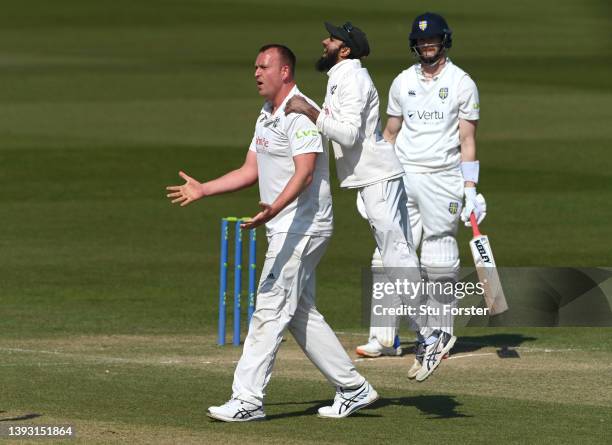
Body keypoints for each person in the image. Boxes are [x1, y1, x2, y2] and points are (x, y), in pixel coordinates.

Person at [166, 44, 378, 421]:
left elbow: (306, 172)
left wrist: (274, 209)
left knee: (268, 308)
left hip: (303, 225)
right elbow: (251, 170)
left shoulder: (301, 114)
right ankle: (353, 388)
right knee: (297, 313)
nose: (256, 73)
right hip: (282, 224)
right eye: (254, 66)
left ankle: (247, 400)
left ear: (285, 72)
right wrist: (204, 189)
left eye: (264, 66)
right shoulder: (267, 114)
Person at [284, 22, 425, 373]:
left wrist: (308, 110)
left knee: (396, 253)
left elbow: (346, 135)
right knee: (394, 252)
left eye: (330, 39)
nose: (324, 41)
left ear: (344, 49)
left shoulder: (353, 79)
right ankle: (429, 333)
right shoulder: (340, 76)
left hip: (379, 175)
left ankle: (433, 332)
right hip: (370, 178)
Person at [380, 12, 486, 381]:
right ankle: (412, 330)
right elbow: (390, 132)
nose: (427, 47)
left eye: (433, 42)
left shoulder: (461, 83)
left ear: (444, 42)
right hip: (403, 175)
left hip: (443, 178)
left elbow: (467, 140)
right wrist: (376, 178)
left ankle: (442, 332)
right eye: (422, 43)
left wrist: (470, 189)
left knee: (438, 249)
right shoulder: (402, 82)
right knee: (396, 250)